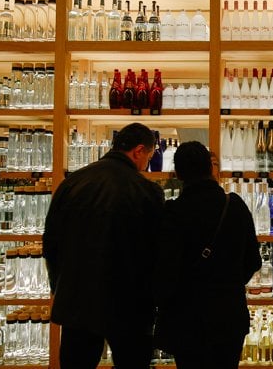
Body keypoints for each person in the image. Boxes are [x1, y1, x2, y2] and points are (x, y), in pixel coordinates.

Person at [43, 122, 165, 368]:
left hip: (78, 298)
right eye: (149, 156)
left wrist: (59, 286)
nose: (146, 164)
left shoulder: (72, 183)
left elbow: (51, 241)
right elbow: (156, 251)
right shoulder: (147, 191)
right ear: (139, 151)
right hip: (130, 302)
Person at [155, 141, 261, 368]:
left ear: (178, 174)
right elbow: (253, 260)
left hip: (186, 318)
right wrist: (229, 283)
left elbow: (165, 269)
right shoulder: (234, 206)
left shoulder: (173, 212)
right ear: (210, 168)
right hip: (228, 316)